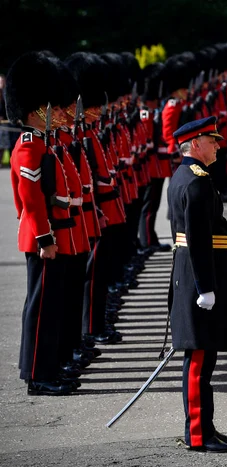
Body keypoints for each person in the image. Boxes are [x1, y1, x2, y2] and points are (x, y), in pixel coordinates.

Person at [167, 116, 227, 452]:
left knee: (205, 358)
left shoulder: (188, 176)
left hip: (194, 274)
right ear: (196, 144)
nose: (218, 145)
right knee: (199, 360)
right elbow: (198, 241)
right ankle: (198, 433)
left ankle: (207, 428)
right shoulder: (196, 181)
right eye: (212, 140)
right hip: (198, 277)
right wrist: (205, 286)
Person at [6, 52, 77, 396]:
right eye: (51, 109)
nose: (58, 114)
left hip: (53, 234)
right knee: (41, 308)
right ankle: (37, 374)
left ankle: (46, 367)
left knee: (53, 307)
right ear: (36, 111)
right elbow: (31, 200)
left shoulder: (44, 143)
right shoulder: (29, 145)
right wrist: (45, 237)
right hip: (42, 238)